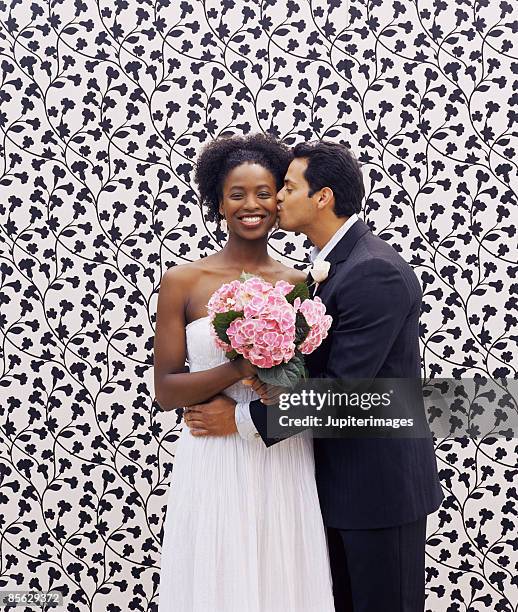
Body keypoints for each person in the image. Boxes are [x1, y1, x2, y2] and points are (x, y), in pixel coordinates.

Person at [185, 140, 444, 612]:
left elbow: (344, 393)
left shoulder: (373, 271)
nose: (276, 199)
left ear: (322, 197)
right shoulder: (333, 268)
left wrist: (240, 422)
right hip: (333, 483)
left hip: (376, 489)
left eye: (287, 187)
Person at [154, 133, 335, 612]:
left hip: (282, 455)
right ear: (218, 204)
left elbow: (312, 386)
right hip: (212, 456)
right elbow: (167, 390)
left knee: (284, 578)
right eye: (237, 195)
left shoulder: (302, 283)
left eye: (263, 193)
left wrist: (268, 377)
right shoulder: (182, 282)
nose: (251, 205)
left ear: (278, 203)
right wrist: (239, 364)